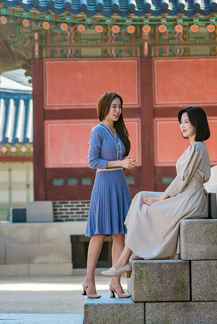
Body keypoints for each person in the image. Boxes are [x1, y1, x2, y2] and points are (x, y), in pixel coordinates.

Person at [101, 106, 211, 277]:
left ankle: (123, 261)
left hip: (191, 199)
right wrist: (161, 198)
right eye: (181, 122)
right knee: (140, 197)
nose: (182, 126)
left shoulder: (197, 147)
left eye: (187, 122)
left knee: (150, 208)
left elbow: (182, 179)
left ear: (197, 123)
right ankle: (129, 256)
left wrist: (161, 199)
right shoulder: (192, 148)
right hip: (184, 195)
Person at [82, 92, 137, 299]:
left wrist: (126, 163)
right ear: (104, 108)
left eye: (120, 106)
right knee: (99, 234)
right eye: (114, 106)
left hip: (120, 185)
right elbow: (92, 162)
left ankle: (115, 282)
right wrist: (120, 163)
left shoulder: (119, 131)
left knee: (120, 234)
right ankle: (89, 281)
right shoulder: (98, 131)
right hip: (104, 186)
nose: (117, 110)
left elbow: (118, 160)